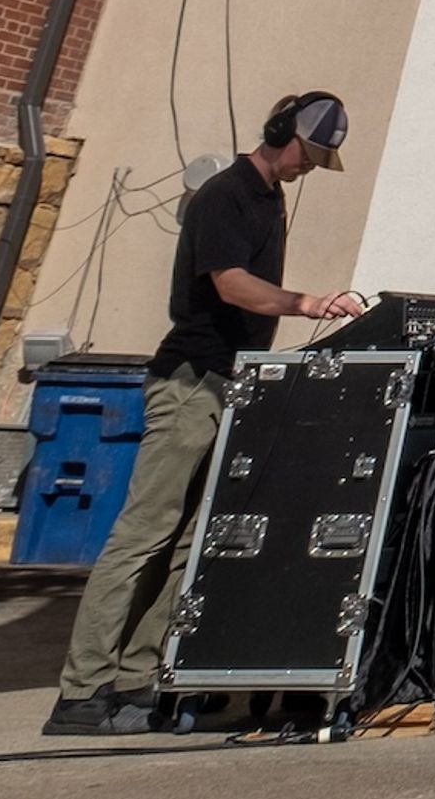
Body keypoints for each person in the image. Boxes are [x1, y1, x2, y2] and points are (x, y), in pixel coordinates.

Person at [47, 92, 368, 737]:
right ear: (284, 134)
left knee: (191, 539)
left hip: (231, 379)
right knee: (145, 532)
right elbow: (229, 283)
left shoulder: (269, 198)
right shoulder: (224, 194)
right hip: (191, 379)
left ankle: (140, 678)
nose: (309, 168)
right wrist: (306, 304)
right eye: (309, 154)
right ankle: (82, 689)